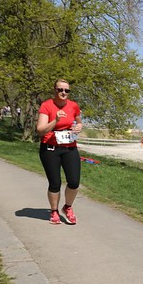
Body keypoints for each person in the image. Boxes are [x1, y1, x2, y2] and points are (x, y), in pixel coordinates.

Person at [36, 78, 84, 225]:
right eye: (60, 90)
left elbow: (79, 121)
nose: (64, 93)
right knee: (55, 183)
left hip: (69, 147)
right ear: (55, 90)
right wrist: (55, 121)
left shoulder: (73, 106)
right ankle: (54, 211)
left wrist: (79, 127)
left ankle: (67, 207)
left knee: (74, 182)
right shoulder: (46, 106)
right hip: (50, 149)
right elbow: (40, 130)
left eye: (66, 90)